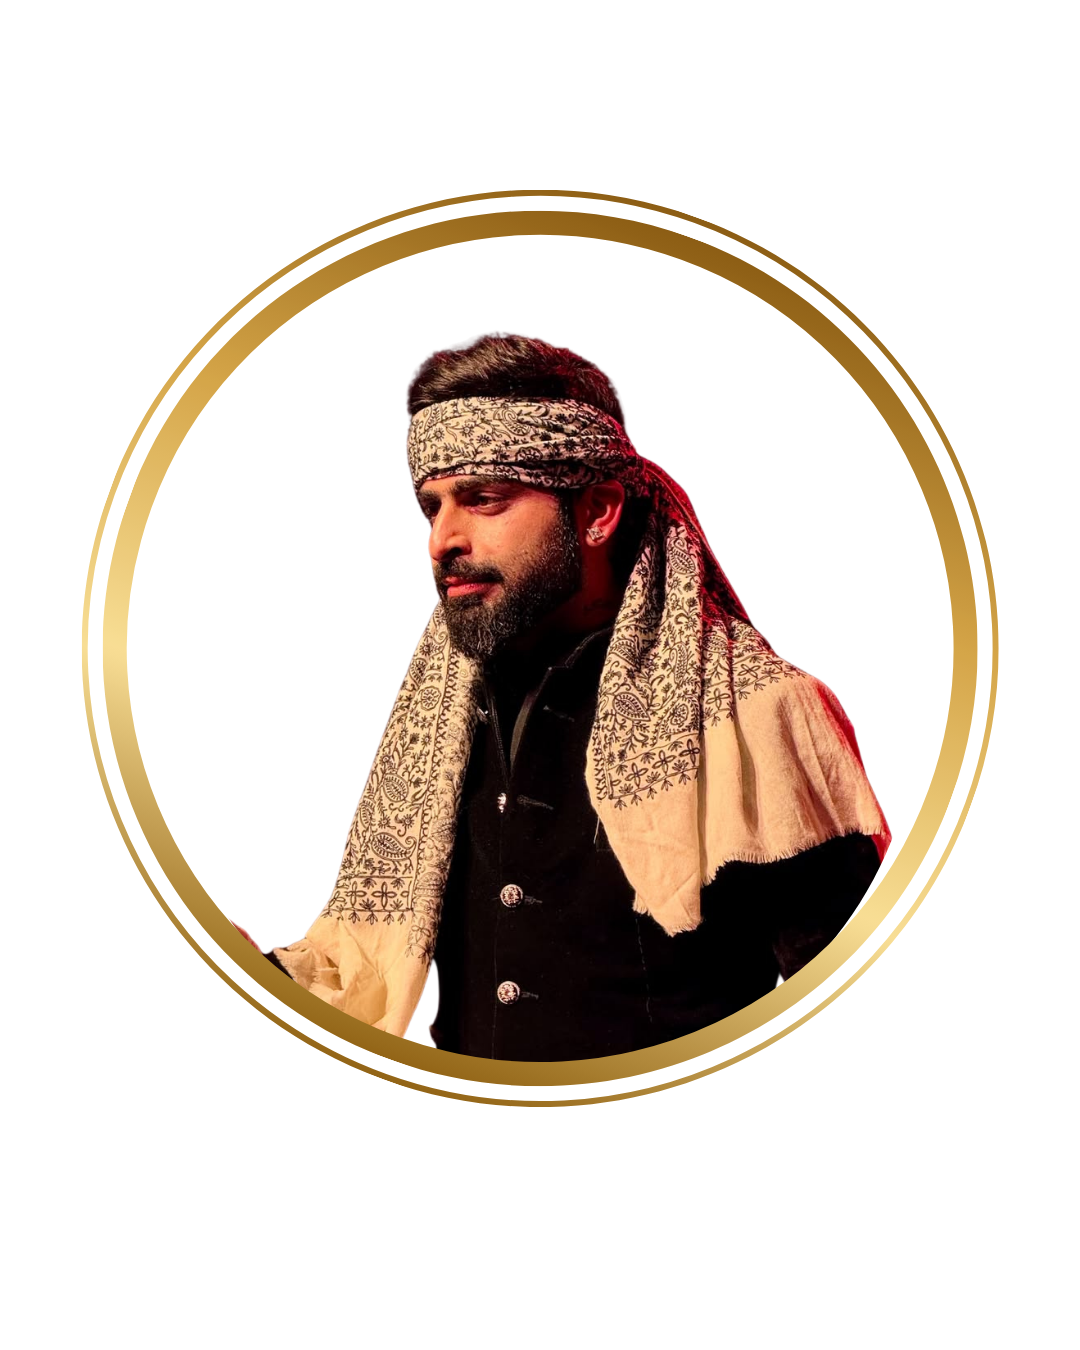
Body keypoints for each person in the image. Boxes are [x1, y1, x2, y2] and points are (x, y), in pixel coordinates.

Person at [248, 331, 891, 1061]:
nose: (441, 540)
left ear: (597, 511)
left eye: (483, 499)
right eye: (432, 507)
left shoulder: (762, 712)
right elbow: (370, 985)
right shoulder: (441, 719)